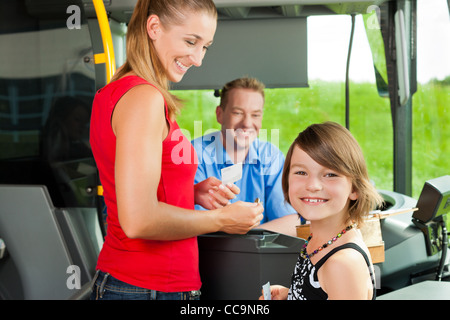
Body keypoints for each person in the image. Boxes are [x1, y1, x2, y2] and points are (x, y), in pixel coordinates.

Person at [89, 0, 264, 300]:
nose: (197, 59)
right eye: (190, 41)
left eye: (205, 46)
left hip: (142, 284)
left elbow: (132, 188)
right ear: (154, 27)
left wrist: (191, 193)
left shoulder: (118, 92)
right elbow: (138, 219)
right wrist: (223, 219)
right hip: (146, 288)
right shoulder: (144, 98)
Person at [261, 121, 384, 300]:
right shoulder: (320, 240)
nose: (312, 186)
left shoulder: (342, 265)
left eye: (330, 175)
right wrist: (291, 295)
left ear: (354, 189)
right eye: (301, 172)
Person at [192, 77, 297, 232]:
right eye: (238, 113)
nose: (247, 123)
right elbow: (191, 222)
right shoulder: (193, 154)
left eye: (255, 115)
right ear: (219, 114)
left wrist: (242, 233)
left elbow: (290, 222)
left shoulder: (271, 156)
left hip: (257, 254)